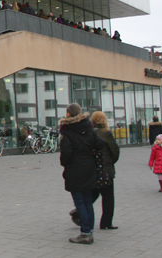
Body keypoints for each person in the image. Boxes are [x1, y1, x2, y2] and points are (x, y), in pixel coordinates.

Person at [60, 103, 104, 244]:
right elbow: (100, 144)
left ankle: (85, 233)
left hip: (75, 169)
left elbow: (66, 153)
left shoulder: (67, 130)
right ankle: (89, 230)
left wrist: (66, 162)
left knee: (80, 202)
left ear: (68, 114)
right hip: (89, 167)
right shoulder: (88, 128)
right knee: (87, 202)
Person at [90, 111, 120, 230]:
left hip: (93, 169)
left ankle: (79, 211)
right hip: (106, 169)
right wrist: (110, 162)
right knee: (108, 197)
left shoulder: (90, 133)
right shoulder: (106, 133)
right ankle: (106, 222)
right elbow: (115, 151)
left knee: (93, 193)